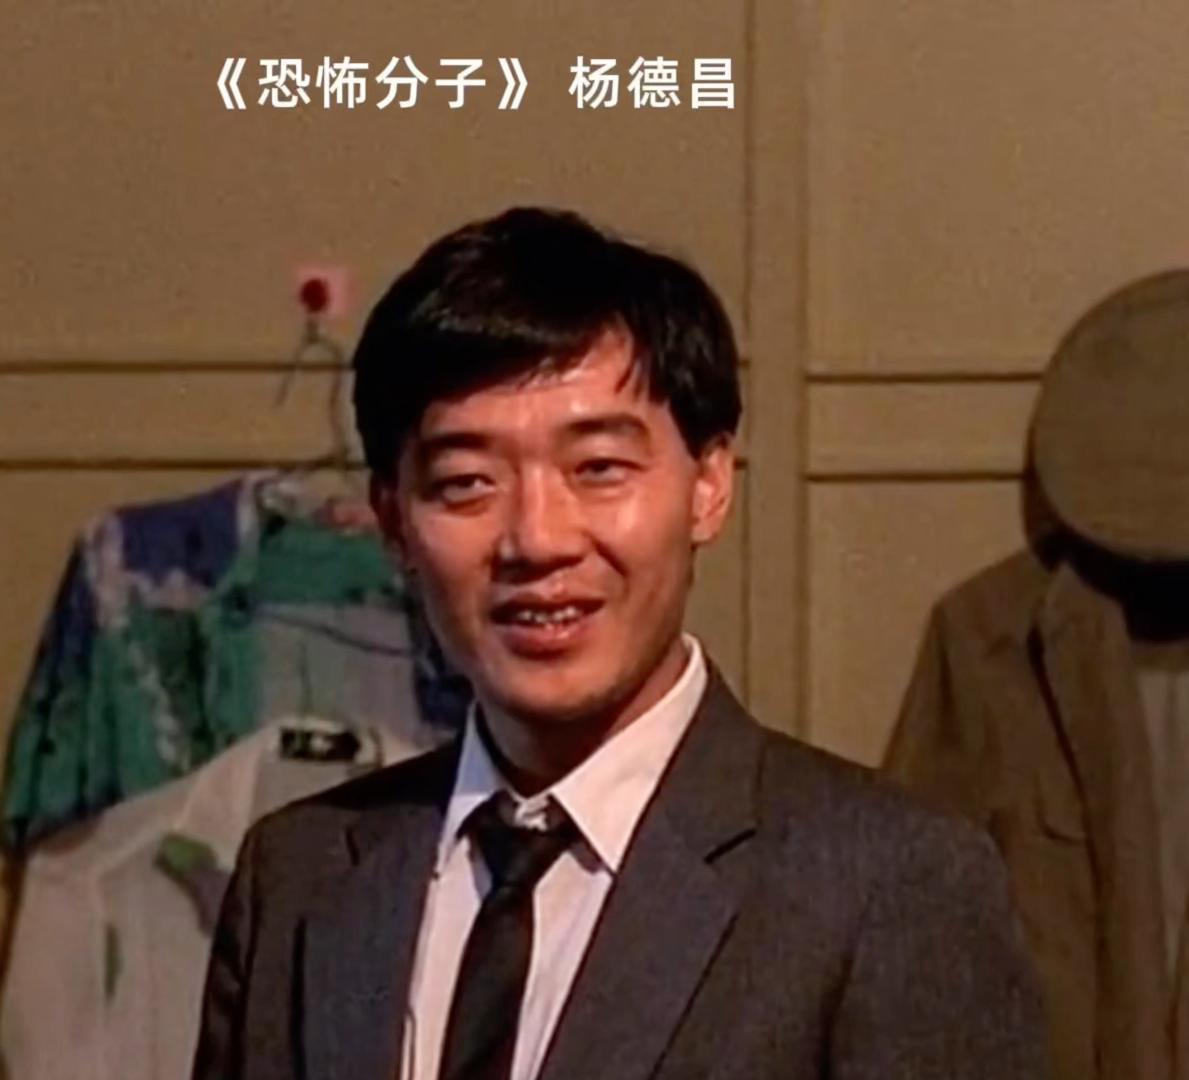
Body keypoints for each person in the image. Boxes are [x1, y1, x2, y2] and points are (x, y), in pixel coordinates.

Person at [191, 207, 1044, 1080]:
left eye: (598, 469)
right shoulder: (296, 876)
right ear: (393, 521)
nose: (538, 540)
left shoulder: (888, 882)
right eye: (467, 482)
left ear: (709, 486)